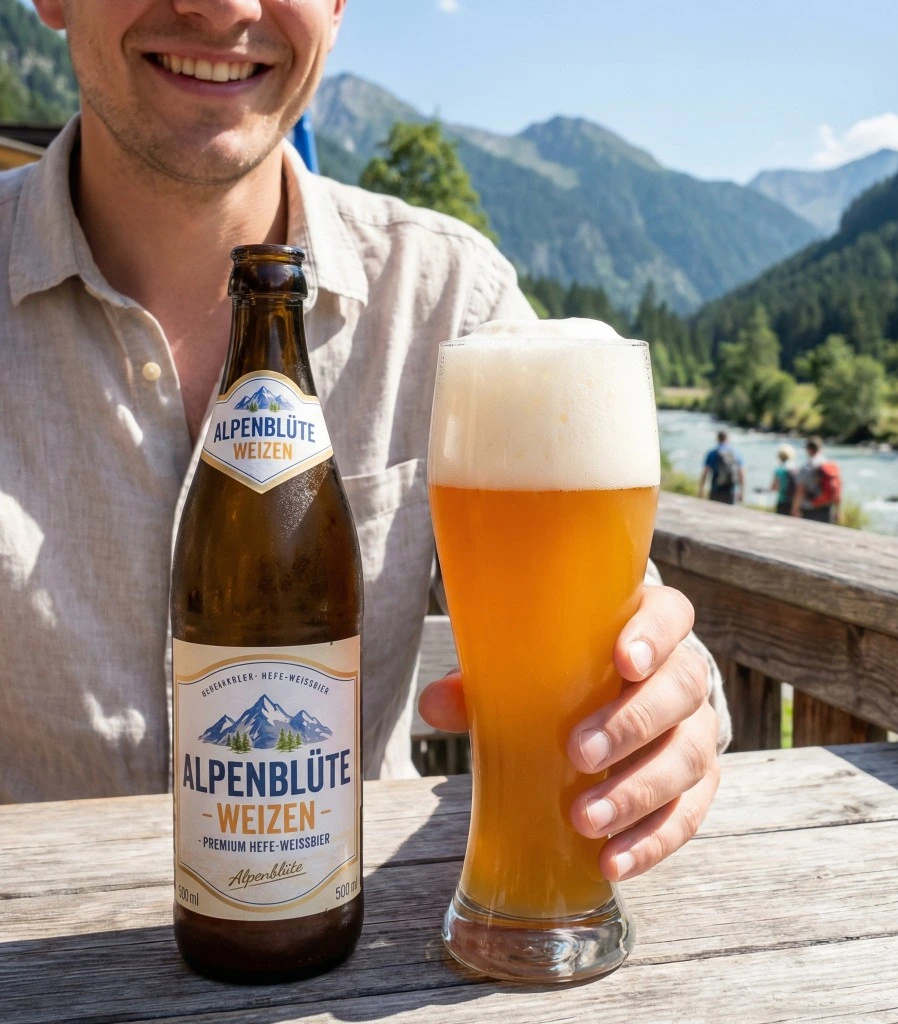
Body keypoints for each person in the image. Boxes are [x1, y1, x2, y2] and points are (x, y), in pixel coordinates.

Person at [0, 0, 728, 885]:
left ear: (339, 8)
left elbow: (628, 639)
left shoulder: (449, 302)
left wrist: (658, 710)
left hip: (360, 969)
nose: (224, 4)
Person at [792, 436, 842, 523]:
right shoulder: (829, 464)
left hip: (811, 508)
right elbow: (837, 488)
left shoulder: (807, 467)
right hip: (827, 507)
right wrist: (837, 511)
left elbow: (800, 490)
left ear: (809, 449)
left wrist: (795, 509)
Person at [701, 430, 745, 505]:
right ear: (728, 439)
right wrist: (742, 492)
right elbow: (741, 473)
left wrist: (701, 489)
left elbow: (705, 472)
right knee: (728, 515)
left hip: (715, 490)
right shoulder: (736, 453)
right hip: (731, 491)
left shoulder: (712, 453)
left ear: (717, 438)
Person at [770, 444, 797, 515]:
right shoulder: (795, 468)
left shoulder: (779, 470)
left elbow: (774, 487)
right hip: (793, 501)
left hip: (782, 500)